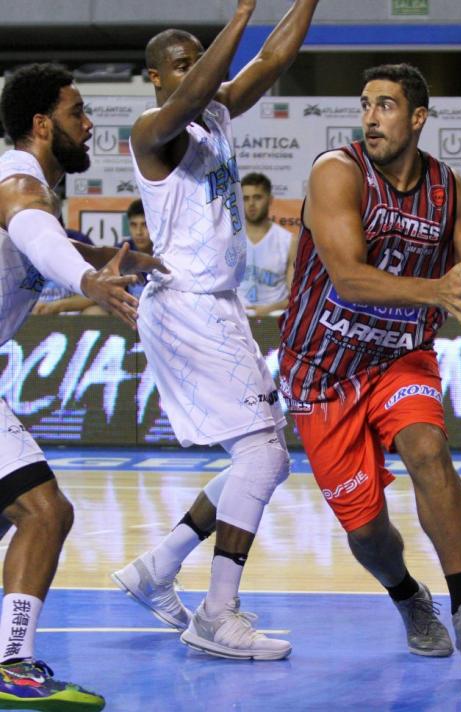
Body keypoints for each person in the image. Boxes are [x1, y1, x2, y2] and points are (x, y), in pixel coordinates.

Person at [279, 63, 461, 674]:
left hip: (399, 357)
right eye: (365, 105)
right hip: (322, 371)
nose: (371, 117)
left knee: (429, 450)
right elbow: (349, 278)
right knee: (368, 533)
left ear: (418, 118)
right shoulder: (337, 172)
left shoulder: (449, 188)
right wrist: (435, 291)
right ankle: (407, 595)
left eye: (385, 105)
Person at [111, 0, 319, 661]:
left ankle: (158, 566)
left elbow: (274, 58)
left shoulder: (215, 111)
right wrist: (242, 11)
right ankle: (216, 614)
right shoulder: (154, 130)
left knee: (265, 459)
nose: (194, 70)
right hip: (187, 304)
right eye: (181, 62)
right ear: (155, 78)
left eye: (196, 58)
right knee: (263, 458)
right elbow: (209, 80)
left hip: (217, 303)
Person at [0, 63, 166, 709]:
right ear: (42, 125)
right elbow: (40, 238)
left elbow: (54, 240)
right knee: (45, 511)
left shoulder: (31, 188)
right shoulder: (20, 182)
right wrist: (87, 281)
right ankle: (11, 665)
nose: (89, 123)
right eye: (76, 112)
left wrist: (120, 262)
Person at [239, 172, 298, 316]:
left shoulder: (289, 241)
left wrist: (268, 310)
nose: (251, 204)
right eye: (245, 198)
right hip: (234, 320)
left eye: (257, 197)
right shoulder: (228, 240)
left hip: (273, 319)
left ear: (270, 200)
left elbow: (295, 295)